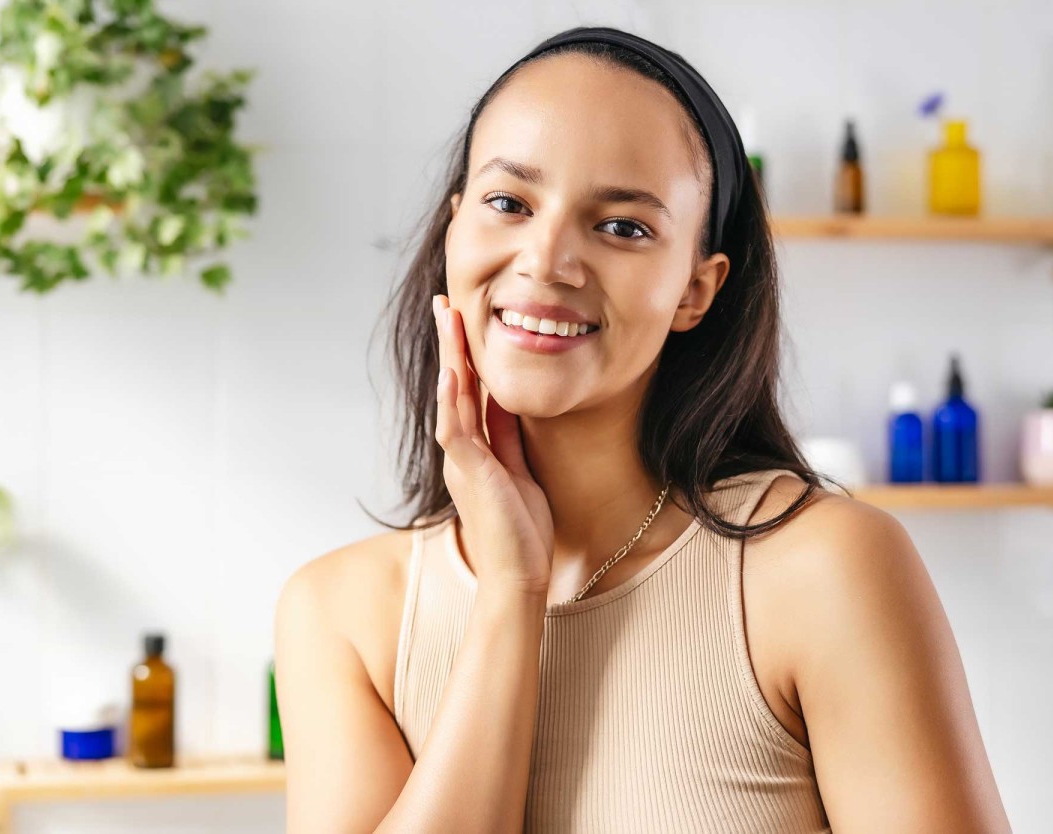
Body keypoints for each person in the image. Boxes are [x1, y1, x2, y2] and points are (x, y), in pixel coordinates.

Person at [274, 26, 1012, 834]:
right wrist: (511, 597)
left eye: (623, 226)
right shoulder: (339, 614)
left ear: (697, 289)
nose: (547, 259)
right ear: (456, 231)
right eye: (508, 203)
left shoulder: (825, 570)